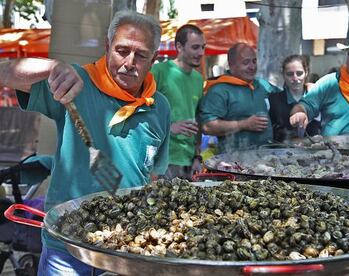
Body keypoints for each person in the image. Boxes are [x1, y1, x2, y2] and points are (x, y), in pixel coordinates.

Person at [0, 10, 170, 274]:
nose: (129, 62)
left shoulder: (160, 107)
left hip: (125, 249)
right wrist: (52, 67)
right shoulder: (76, 82)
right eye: (122, 50)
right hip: (66, 246)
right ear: (107, 47)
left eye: (141, 55)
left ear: (154, 59)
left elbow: (154, 176)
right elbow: (5, 73)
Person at [199, 43, 279, 153]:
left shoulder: (262, 85)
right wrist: (243, 124)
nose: (252, 67)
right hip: (234, 161)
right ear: (231, 65)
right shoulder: (219, 90)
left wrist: (305, 87)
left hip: (267, 159)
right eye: (246, 62)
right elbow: (207, 127)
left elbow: (284, 98)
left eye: (254, 61)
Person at [151, 24, 205, 180]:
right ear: (179, 47)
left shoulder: (198, 78)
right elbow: (140, 112)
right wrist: (170, 128)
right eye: (195, 47)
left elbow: (197, 119)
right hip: (162, 161)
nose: (201, 53)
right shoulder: (158, 72)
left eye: (203, 47)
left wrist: (197, 156)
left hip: (189, 162)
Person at [268, 54, 321, 142]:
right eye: (290, 74)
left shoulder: (317, 97)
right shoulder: (273, 101)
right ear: (283, 75)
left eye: (299, 73)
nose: (295, 78)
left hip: (315, 152)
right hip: (283, 153)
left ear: (306, 72)